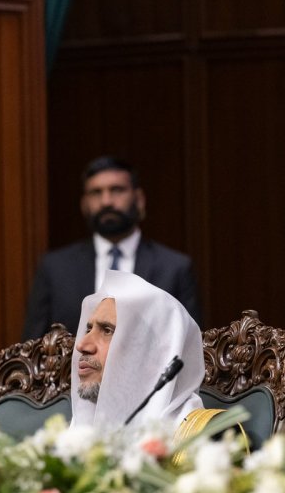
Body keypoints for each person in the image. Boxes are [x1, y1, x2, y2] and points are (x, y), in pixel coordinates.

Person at [23, 155, 201, 339]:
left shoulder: (174, 268)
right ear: (84, 204)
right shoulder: (55, 268)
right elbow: (32, 346)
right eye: (96, 192)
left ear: (139, 199)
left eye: (117, 190)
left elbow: (190, 345)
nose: (106, 201)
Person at [69, 270, 204, 431]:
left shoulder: (195, 435)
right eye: (88, 329)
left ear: (152, 356)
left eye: (107, 330)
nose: (82, 345)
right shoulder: (80, 431)